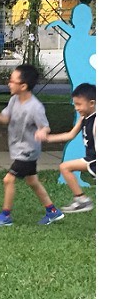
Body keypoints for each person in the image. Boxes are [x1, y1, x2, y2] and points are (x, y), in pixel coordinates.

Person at [0, 64, 64, 227]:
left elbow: (45, 127)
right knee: (32, 181)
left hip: (28, 151)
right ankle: (53, 211)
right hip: (19, 148)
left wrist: (42, 132)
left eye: (12, 81)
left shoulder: (35, 107)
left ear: (23, 86)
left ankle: (5, 216)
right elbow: (5, 119)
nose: (9, 84)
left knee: (8, 179)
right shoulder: (14, 99)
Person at [37, 82, 95, 213]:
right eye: (75, 104)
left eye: (79, 104)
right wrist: (47, 138)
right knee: (65, 167)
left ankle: (82, 200)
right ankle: (81, 199)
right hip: (91, 159)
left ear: (91, 103)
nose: (76, 108)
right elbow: (70, 135)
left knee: (65, 167)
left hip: (95, 160)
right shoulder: (83, 118)